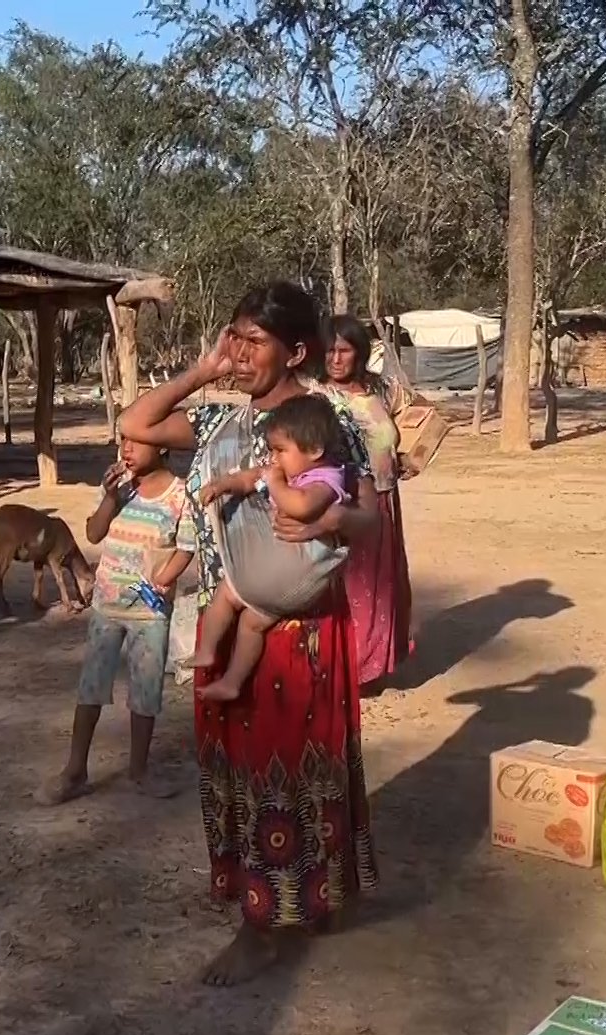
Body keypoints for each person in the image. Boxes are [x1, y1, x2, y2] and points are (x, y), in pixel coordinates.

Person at [119, 280, 380, 987]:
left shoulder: (326, 419)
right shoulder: (217, 421)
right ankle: (276, 902)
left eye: (253, 340)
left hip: (297, 628)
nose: (238, 351)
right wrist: (202, 370)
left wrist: (331, 519)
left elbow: (369, 520)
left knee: (292, 775)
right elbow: (137, 422)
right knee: (242, 773)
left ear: (294, 351)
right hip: (228, 615)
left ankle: (266, 925)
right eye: (233, 336)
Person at [38, 436, 196, 806]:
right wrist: (110, 497)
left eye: (137, 442)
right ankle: (75, 771)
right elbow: (94, 533)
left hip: (150, 612)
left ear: (163, 446)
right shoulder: (119, 486)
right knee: (91, 687)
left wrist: (162, 579)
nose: (127, 449)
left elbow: (187, 547)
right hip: (107, 606)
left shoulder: (181, 495)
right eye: (123, 440)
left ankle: (138, 770)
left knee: (145, 692)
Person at [189, 395, 351, 703]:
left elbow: (301, 506)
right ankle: (225, 673)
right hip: (278, 579)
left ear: (314, 450)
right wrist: (223, 485)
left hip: (299, 573)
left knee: (230, 593)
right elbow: (249, 478)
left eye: (280, 450)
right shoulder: (288, 472)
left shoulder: (326, 478)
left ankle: (212, 654)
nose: (273, 458)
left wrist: (275, 482)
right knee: (250, 622)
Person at [319, 314, 415, 684]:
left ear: (359, 353)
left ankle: (372, 663)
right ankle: (346, 666)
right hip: (344, 503)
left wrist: (407, 457)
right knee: (348, 585)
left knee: (379, 586)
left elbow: (415, 420)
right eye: (329, 351)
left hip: (385, 499)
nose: (336, 359)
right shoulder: (318, 396)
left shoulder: (382, 390)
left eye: (344, 351)